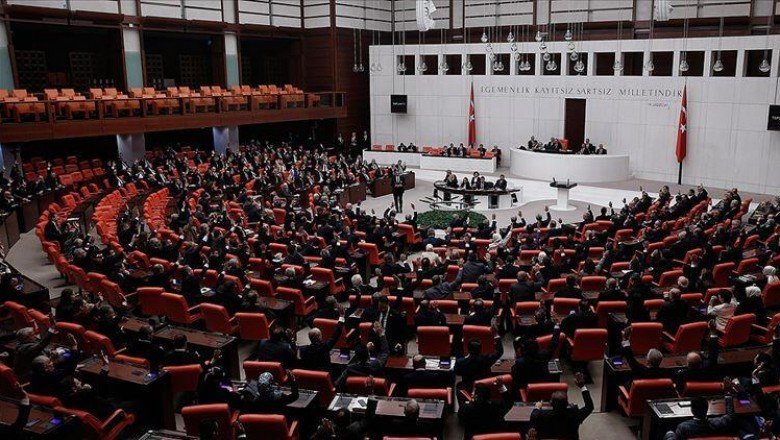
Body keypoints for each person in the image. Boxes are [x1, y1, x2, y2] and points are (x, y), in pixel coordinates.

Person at [529, 372, 593, 440]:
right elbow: (589, 407)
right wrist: (582, 386)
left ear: (551, 403)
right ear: (567, 403)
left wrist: (537, 408)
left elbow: (534, 415)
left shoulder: (542, 415)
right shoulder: (575, 414)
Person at [662, 394, 736, 439]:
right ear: (707, 408)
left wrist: (670, 434)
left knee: (669, 433)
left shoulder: (683, 427)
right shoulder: (719, 423)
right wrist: (728, 395)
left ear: (692, 410)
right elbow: (730, 416)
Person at [455, 324, 504, 390]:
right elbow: (500, 352)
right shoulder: (487, 359)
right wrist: (496, 335)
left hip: (468, 388)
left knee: (459, 385)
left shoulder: (461, 362)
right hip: (483, 388)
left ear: (468, 349)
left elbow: (458, 373)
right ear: (481, 349)